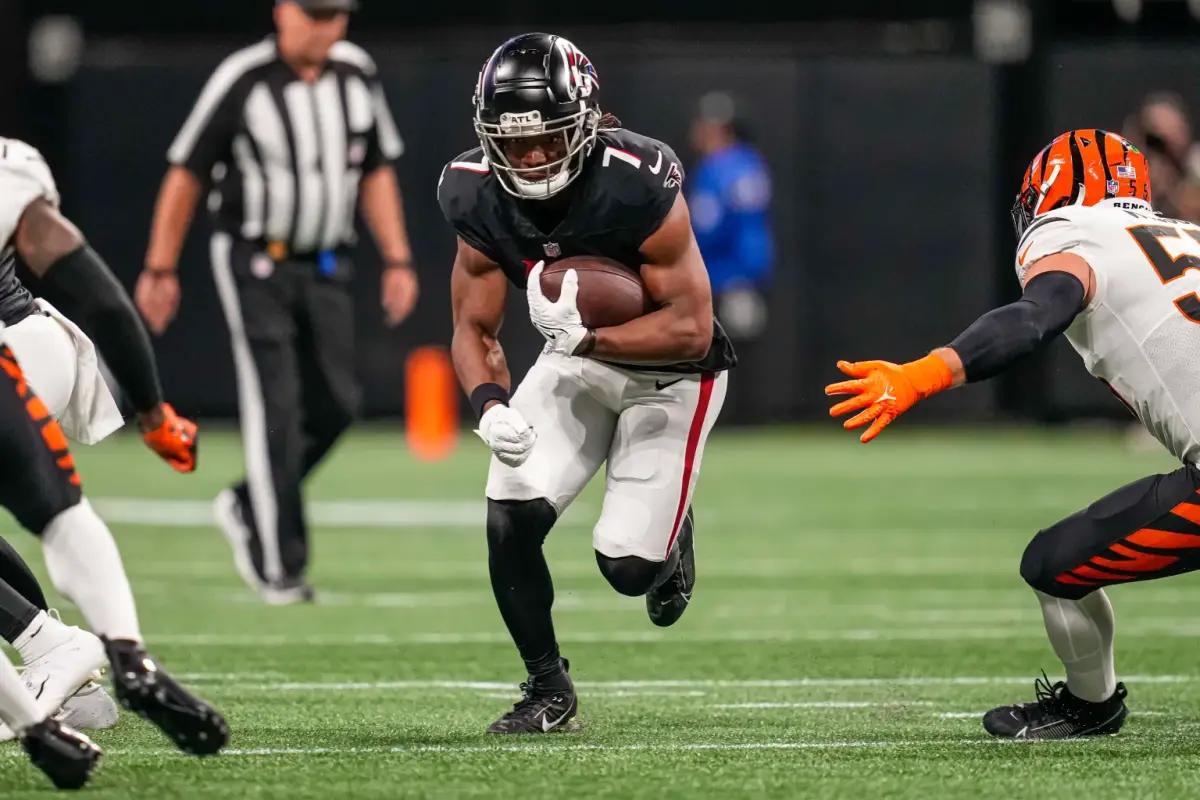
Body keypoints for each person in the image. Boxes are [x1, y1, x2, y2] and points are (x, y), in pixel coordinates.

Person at [825, 129, 1198, 739]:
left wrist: (924, 373)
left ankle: (1090, 705)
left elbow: (1034, 316)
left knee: (1054, 565)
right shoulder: (1187, 235)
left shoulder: (1080, 233)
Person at [439, 32, 736, 734]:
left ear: (588, 121)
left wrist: (590, 337)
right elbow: (473, 328)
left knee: (627, 569)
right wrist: (488, 405)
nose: (533, 156)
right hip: (574, 360)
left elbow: (692, 327)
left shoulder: (637, 176)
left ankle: (671, 538)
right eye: (515, 144)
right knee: (508, 511)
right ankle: (548, 689)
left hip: (673, 377)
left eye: (548, 137)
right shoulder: (473, 190)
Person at [137, 0, 419, 604]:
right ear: (282, 11)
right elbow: (186, 171)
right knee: (277, 407)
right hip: (253, 259)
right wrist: (160, 267)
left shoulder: (356, 74)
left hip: (326, 261)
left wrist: (397, 258)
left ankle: (244, 502)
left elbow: (376, 168)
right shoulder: (244, 78)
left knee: (340, 403)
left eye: (337, 15)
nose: (325, 28)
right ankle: (279, 564)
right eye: (314, 13)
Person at [0, 137, 227, 754]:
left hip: (13, 350)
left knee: (57, 514)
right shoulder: (8, 167)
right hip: (34, 348)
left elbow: (102, 296)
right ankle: (90, 669)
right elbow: (101, 297)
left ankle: (54, 651)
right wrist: (154, 415)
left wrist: (153, 412)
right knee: (59, 515)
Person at [687, 91, 774, 341]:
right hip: (748, 276)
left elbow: (707, 229)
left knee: (721, 365)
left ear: (719, 129)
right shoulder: (749, 161)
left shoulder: (717, 167)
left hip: (722, 279)